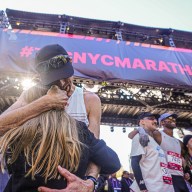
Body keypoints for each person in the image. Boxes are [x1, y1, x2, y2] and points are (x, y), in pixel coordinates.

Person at [0, 44, 102, 191]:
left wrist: (90, 182)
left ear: (71, 64)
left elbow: (96, 150)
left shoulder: (90, 100)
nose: (62, 83)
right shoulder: (31, 95)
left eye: (65, 75)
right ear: (40, 77)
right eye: (54, 78)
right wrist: (43, 103)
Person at [0, 85, 121, 192]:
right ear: (63, 103)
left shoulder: (17, 133)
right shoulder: (79, 131)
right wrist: (91, 180)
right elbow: (113, 163)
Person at [129, 112, 189, 192]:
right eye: (151, 118)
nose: (155, 121)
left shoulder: (176, 142)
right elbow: (135, 161)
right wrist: (142, 186)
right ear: (162, 122)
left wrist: (185, 171)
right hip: (154, 184)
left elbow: (183, 158)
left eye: (155, 119)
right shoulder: (155, 135)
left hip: (169, 182)